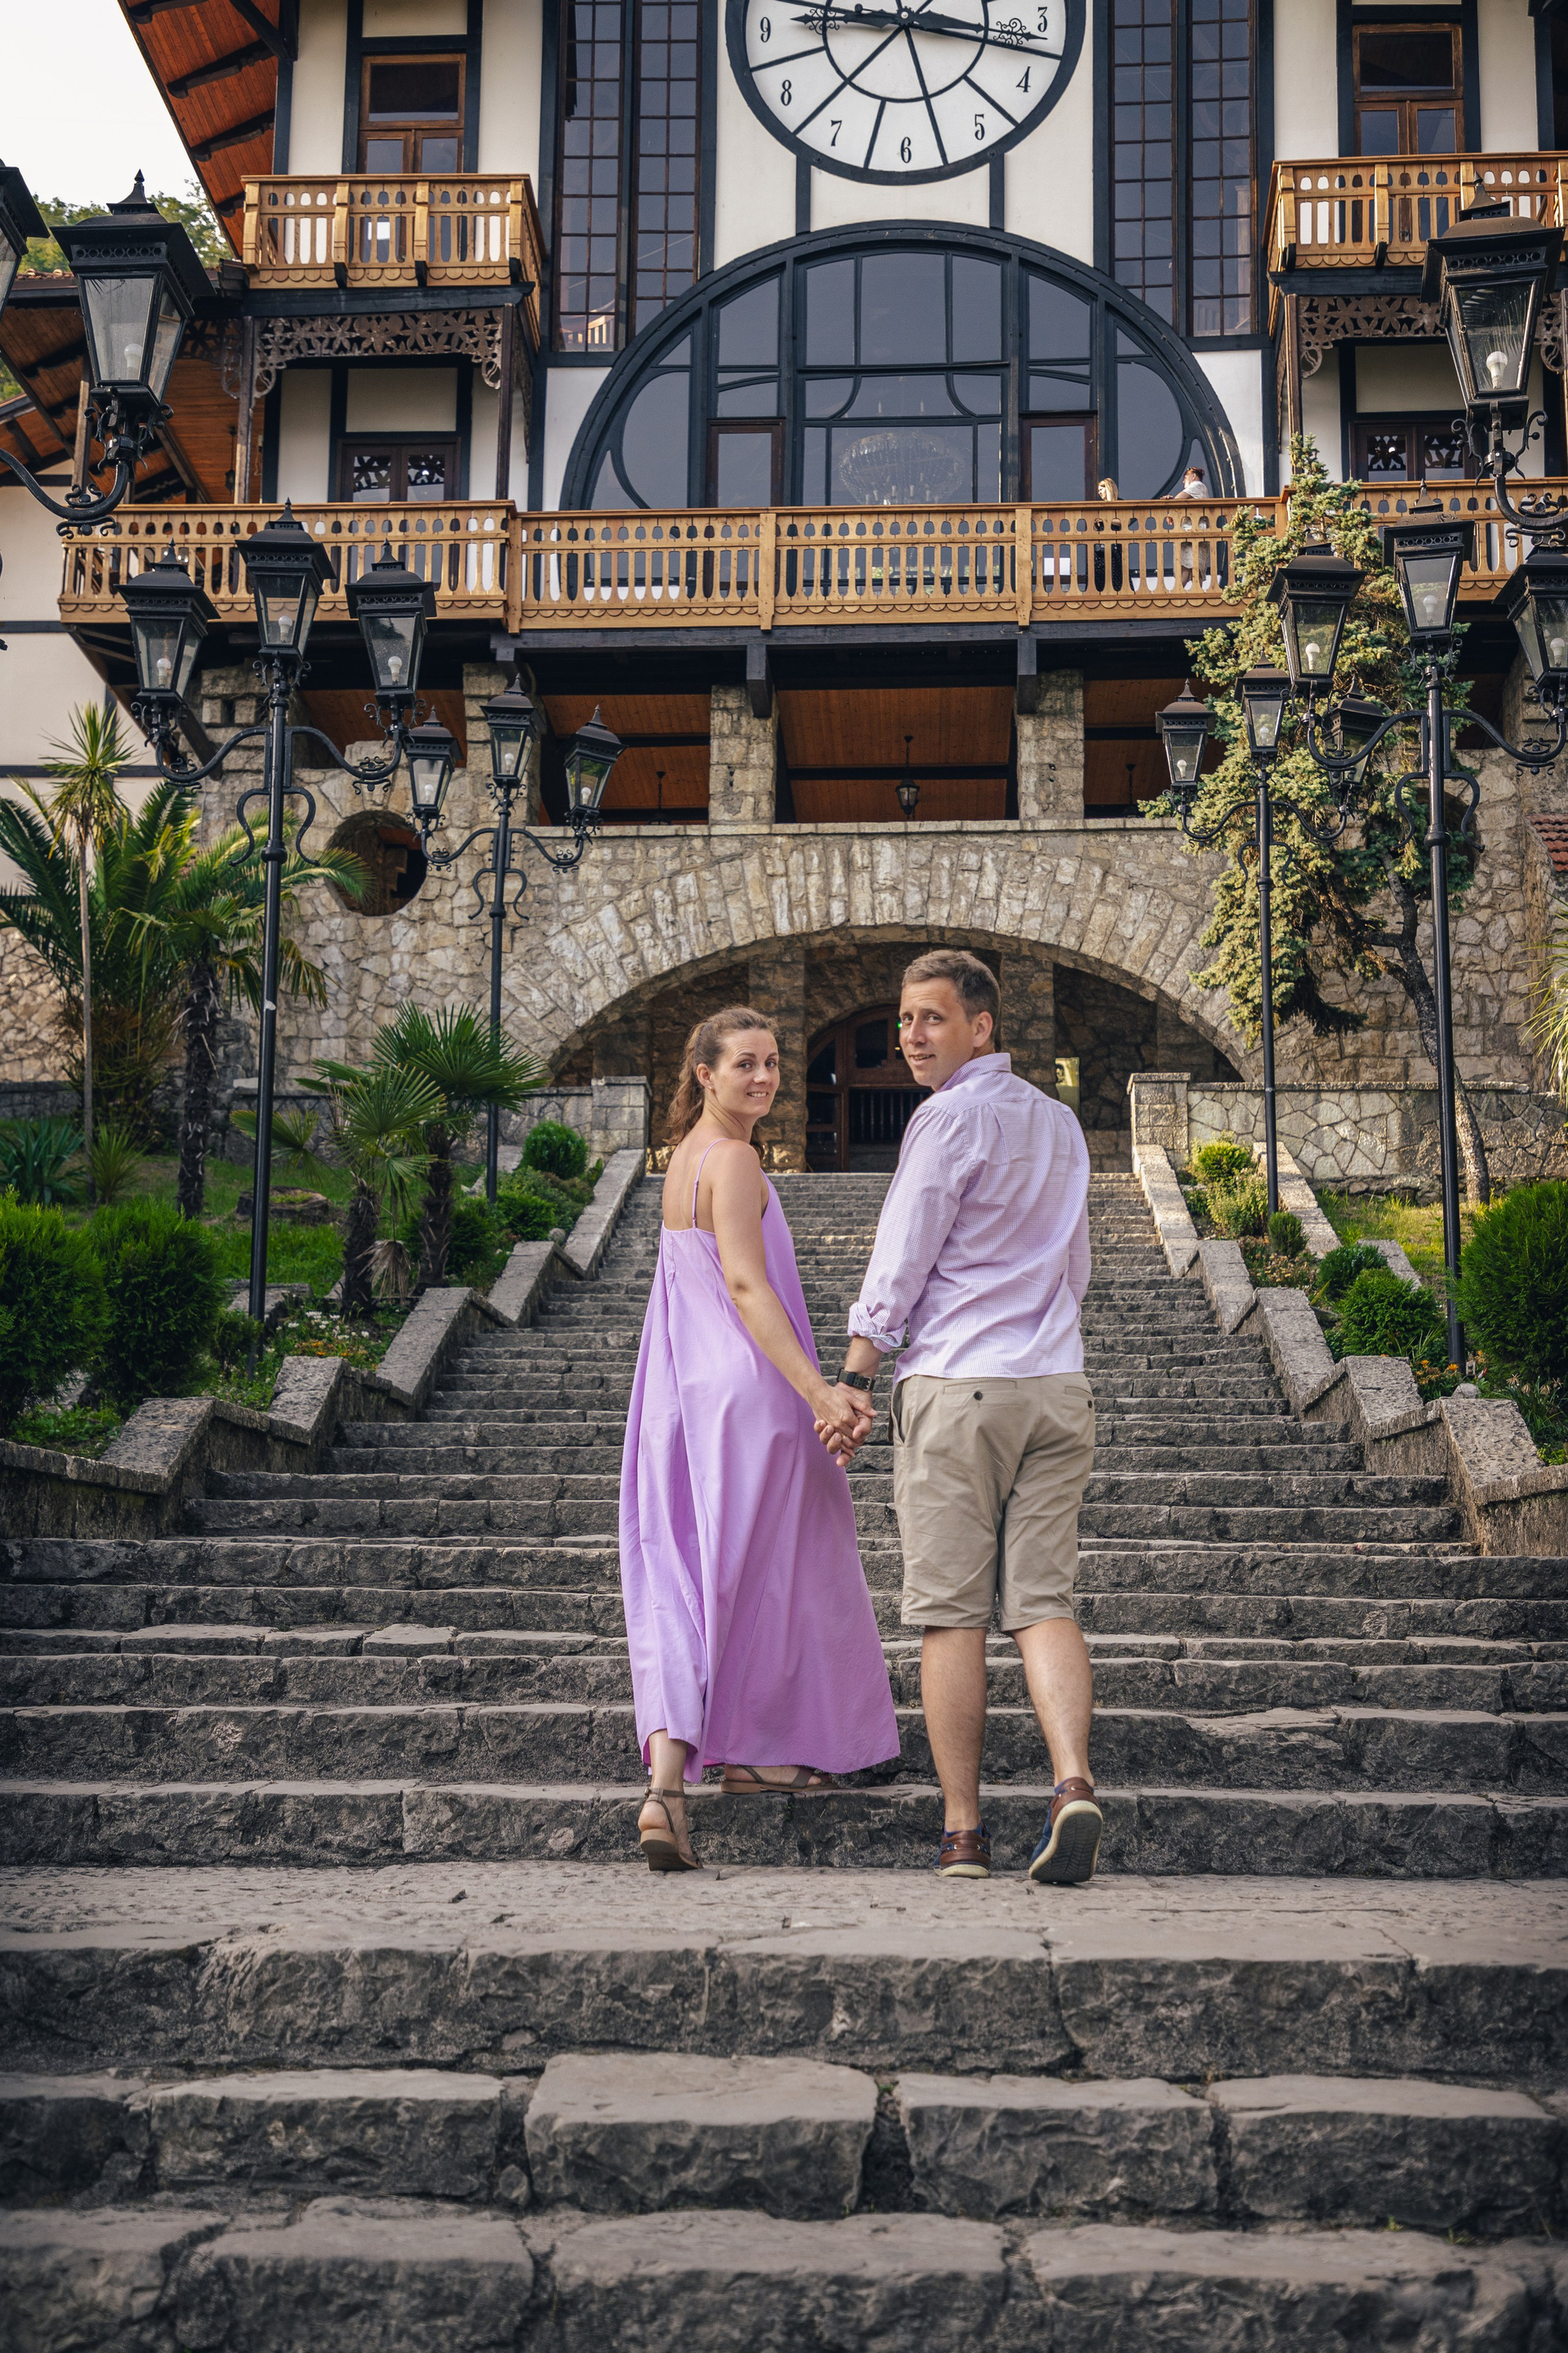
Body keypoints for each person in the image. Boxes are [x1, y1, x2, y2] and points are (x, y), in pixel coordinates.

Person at [817, 950, 1098, 1885]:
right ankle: (1071, 1783)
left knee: (951, 1617)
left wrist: (856, 1375)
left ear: (982, 1027)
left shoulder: (945, 1118)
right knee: (1044, 1601)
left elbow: (901, 1257)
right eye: (903, 1019)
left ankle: (964, 1832)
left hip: (960, 1385)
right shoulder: (1059, 1122)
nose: (910, 1035)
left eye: (931, 1017)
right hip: (1055, 1384)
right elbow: (1075, 1265)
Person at [621, 1006, 899, 1871]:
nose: (765, 1077)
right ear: (703, 1073)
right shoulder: (736, 1161)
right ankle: (761, 1748)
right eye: (745, 1063)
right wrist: (821, 1391)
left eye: (774, 1062)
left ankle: (671, 1783)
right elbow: (744, 1284)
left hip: (681, 1393)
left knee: (693, 1578)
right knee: (776, 1572)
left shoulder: (683, 1160)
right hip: (751, 1393)